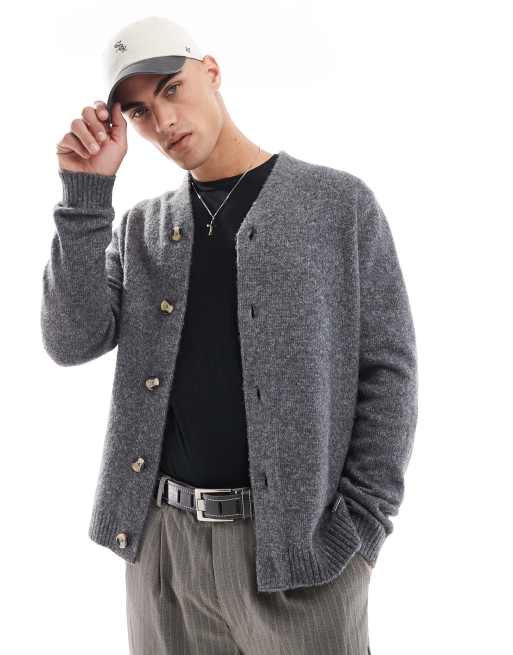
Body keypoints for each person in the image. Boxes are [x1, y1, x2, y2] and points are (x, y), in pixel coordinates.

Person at [43, 15, 418, 655]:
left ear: (211, 72)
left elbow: (389, 372)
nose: (163, 121)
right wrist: (86, 193)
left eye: (171, 88)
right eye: (138, 111)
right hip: (164, 556)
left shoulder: (337, 205)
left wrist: (360, 530)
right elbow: (71, 339)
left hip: (303, 558)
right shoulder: (141, 229)